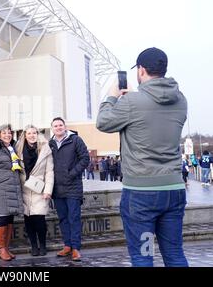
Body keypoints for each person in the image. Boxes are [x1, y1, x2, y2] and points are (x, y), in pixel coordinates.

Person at [96, 47, 188, 267]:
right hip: (174, 189)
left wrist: (112, 97)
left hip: (142, 194)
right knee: (174, 253)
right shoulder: (181, 100)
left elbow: (103, 122)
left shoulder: (131, 102)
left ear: (141, 70)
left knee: (143, 255)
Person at [48, 117, 90, 261]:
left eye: (60, 125)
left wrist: (71, 173)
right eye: (55, 126)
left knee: (74, 218)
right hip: (58, 188)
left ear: (65, 126)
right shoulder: (50, 143)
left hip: (73, 187)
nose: (58, 127)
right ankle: (67, 245)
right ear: (52, 128)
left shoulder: (75, 140)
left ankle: (76, 248)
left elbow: (85, 158)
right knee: (63, 218)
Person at [0, 124, 24, 261]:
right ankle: (1, 249)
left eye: (9, 133)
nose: (7, 135)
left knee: (9, 218)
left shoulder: (11, 149)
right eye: (4, 133)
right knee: (2, 218)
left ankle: (6, 248)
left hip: (12, 188)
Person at [15, 125, 54, 257]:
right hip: (24, 190)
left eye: (34, 133)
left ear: (38, 134)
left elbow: (49, 172)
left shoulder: (45, 149)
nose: (32, 135)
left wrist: (48, 190)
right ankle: (33, 246)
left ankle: (42, 245)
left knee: (39, 220)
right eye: (29, 133)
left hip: (39, 189)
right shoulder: (18, 150)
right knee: (28, 220)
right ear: (25, 135)